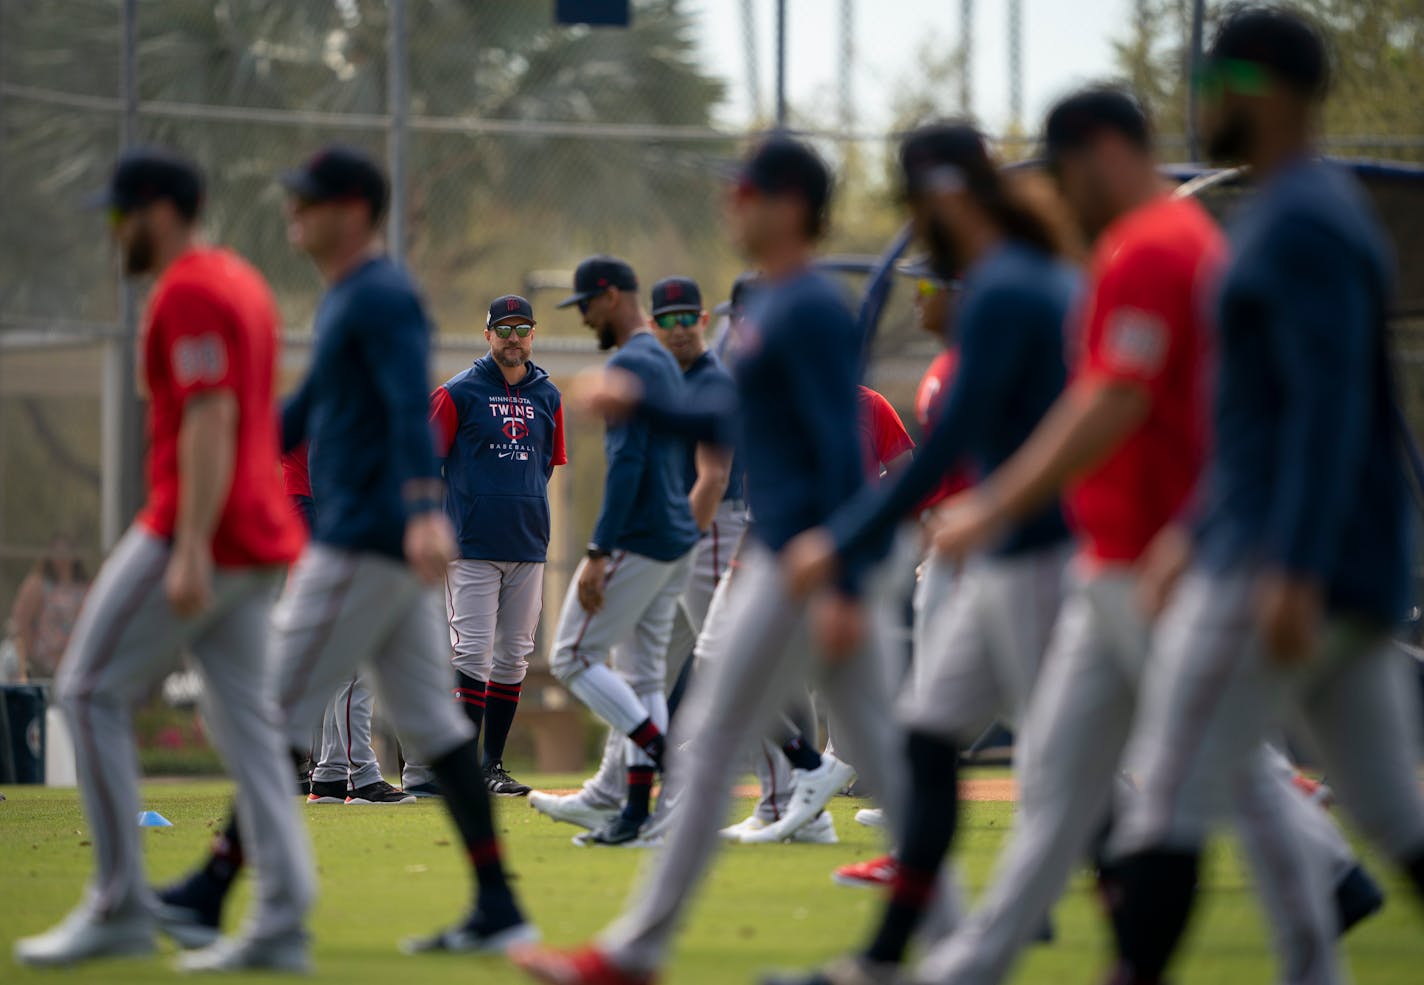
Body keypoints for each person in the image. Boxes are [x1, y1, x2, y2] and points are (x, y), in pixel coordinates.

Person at [899, 85, 1384, 985]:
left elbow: (1117, 398)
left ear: (1096, 151)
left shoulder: (1158, 247)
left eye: (1060, 170)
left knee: (1210, 773)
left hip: (1154, 557)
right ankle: (967, 964)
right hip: (1117, 552)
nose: (1054, 193)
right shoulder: (1139, 246)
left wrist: (998, 504)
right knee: (1064, 777)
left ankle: (1331, 901)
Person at [513, 134, 908, 985]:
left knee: (722, 731)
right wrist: (646, 400)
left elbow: (842, 456)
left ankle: (635, 950)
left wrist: (841, 572)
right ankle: (953, 937)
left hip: (812, 561)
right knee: (871, 752)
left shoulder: (808, 311)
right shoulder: (769, 312)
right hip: (795, 558)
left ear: (793, 206)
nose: (734, 204)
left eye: (749, 191)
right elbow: (739, 430)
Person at [1085, 11, 1424, 983]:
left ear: (1263, 89)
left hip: (1279, 565)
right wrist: (1189, 532)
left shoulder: (1301, 222)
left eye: (1213, 78)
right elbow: (1266, 416)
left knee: (1165, 803)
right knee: (1390, 815)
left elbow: (1323, 410)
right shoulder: (1303, 208)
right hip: (1304, 558)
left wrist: (1289, 561)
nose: (1198, 99)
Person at [154, 145, 535, 966]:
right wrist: (245, 455)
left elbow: (406, 404)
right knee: (435, 728)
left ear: (354, 209)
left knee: (268, 713)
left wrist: (422, 507)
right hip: (371, 539)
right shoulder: (350, 297)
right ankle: (500, 903)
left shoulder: (382, 295)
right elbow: (312, 404)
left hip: (363, 538)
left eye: (310, 198)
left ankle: (217, 892)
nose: (295, 210)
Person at [775, 122, 1079, 985]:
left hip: (1044, 555)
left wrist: (850, 534)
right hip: (1011, 552)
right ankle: (887, 957)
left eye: (914, 199)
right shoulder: (1012, 280)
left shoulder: (1009, 287)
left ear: (944, 193)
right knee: (935, 738)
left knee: (1083, 760)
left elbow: (950, 448)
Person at [14, 149, 311, 969]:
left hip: (200, 527)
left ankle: (117, 902)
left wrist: (186, 549)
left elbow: (212, 416)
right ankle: (284, 919)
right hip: (256, 532)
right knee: (251, 729)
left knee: (84, 688)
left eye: (119, 216)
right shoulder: (240, 279)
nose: (113, 232)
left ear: (157, 211)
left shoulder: (186, 289)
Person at [533, 275, 744, 842]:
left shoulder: (637, 361)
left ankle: (675, 768)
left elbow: (628, 466)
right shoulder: (657, 359)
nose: (583, 318)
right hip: (674, 537)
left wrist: (600, 550)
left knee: (572, 658)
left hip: (646, 534)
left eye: (586, 306)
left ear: (611, 298)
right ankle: (633, 813)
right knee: (646, 675)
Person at [401, 293, 568, 799]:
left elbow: (545, 466)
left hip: (529, 543)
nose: (513, 338)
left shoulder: (549, 395)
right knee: (471, 653)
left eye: (523, 328)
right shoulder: (457, 393)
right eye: (504, 329)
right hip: (471, 545)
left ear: (533, 334)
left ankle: (491, 765)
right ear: (488, 334)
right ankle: (460, 770)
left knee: (514, 657)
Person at [8, 534, 90, 683]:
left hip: (76, 663)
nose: (63, 557)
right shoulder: (38, 584)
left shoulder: (84, 587)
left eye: (66, 551)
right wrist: (31, 658)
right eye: (58, 552)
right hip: (45, 665)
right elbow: (21, 621)